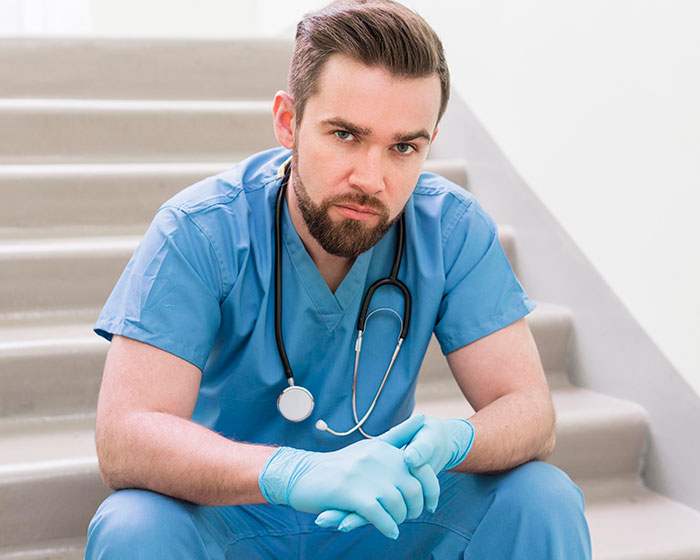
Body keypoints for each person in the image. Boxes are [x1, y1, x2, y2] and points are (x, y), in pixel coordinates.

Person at [85, 1, 591, 558]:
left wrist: (457, 441)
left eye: (404, 146)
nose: (371, 179)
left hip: (381, 519)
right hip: (231, 517)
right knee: (134, 524)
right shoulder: (199, 232)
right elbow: (124, 438)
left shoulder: (450, 229)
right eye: (346, 135)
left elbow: (530, 412)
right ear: (288, 122)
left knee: (540, 496)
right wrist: (290, 471)